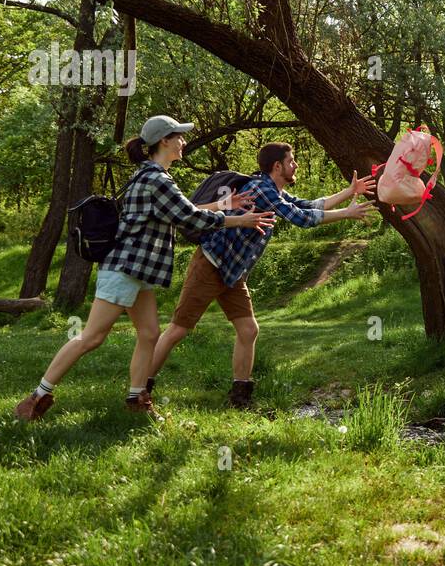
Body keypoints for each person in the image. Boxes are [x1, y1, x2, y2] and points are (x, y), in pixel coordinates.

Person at [14, 116, 275, 421]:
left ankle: (136, 400)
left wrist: (223, 207)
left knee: (150, 334)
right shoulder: (156, 180)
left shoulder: (153, 177)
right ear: (165, 140)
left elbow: (181, 211)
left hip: (139, 272)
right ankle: (36, 398)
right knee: (91, 338)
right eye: (179, 136)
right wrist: (239, 219)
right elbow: (189, 218)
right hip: (125, 269)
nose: (183, 142)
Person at [148, 142, 378, 408]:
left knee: (248, 329)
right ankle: (142, 386)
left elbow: (307, 205)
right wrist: (347, 213)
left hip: (232, 274)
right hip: (211, 265)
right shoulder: (262, 188)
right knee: (179, 329)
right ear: (277, 166)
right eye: (291, 161)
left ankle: (239, 397)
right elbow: (302, 219)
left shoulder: (275, 191)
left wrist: (349, 192)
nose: (296, 165)